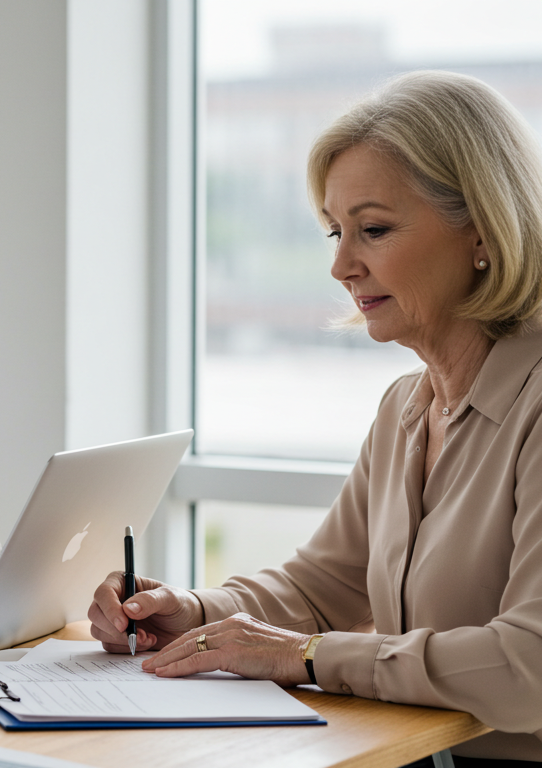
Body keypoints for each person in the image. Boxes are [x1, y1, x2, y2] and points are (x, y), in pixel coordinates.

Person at [88, 70, 542, 765]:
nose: (341, 265)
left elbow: (530, 666)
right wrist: (195, 612)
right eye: (335, 231)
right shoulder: (406, 407)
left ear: (482, 233)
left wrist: (304, 656)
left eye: (373, 229)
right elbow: (320, 586)